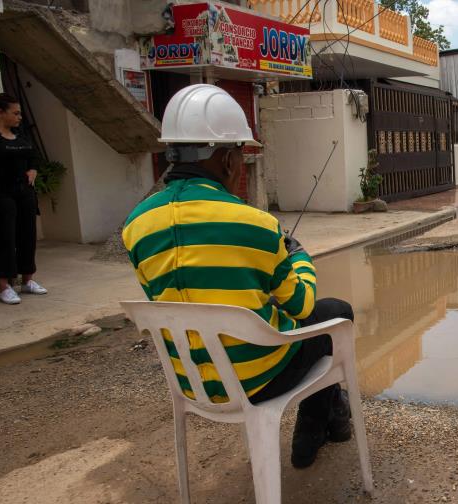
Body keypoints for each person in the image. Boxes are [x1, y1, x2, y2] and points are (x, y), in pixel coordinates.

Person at [122, 84, 352, 468]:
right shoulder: (256, 224)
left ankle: (334, 418)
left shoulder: (135, 226)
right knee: (334, 311)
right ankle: (311, 434)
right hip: (257, 380)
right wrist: (298, 257)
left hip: (190, 381)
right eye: (241, 157)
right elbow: (301, 305)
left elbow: (165, 298)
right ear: (228, 160)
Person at [0, 93, 47, 305]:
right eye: (15, 113)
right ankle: (4, 285)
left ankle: (27, 280)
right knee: (4, 238)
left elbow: (33, 155)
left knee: (28, 235)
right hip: (1, 193)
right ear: (0, 113)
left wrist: (34, 169)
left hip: (25, 192)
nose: (19, 117)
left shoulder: (21, 134)